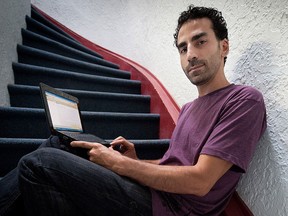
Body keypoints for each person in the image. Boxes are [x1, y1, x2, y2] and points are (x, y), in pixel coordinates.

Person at [0, 4, 266, 216]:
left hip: (173, 209)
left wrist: (123, 165)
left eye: (200, 42)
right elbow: (174, 165)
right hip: (155, 192)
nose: (190, 55)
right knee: (59, 143)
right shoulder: (188, 109)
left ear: (224, 46)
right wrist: (136, 161)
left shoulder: (244, 101)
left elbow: (199, 181)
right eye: (183, 48)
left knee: (37, 164)